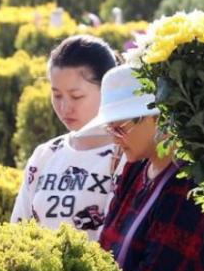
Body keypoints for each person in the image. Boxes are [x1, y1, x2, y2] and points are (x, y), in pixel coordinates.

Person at [90, 64, 204, 271]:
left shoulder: (191, 185)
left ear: (158, 118)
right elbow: (106, 244)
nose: (115, 140)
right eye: (109, 129)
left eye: (119, 128)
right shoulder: (135, 168)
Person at [11, 35, 121, 238]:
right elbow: (18, 232)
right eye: (57, 95)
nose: (64, 107)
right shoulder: (44, 155)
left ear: (107, 89)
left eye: (76, 96)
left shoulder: (126, 155)